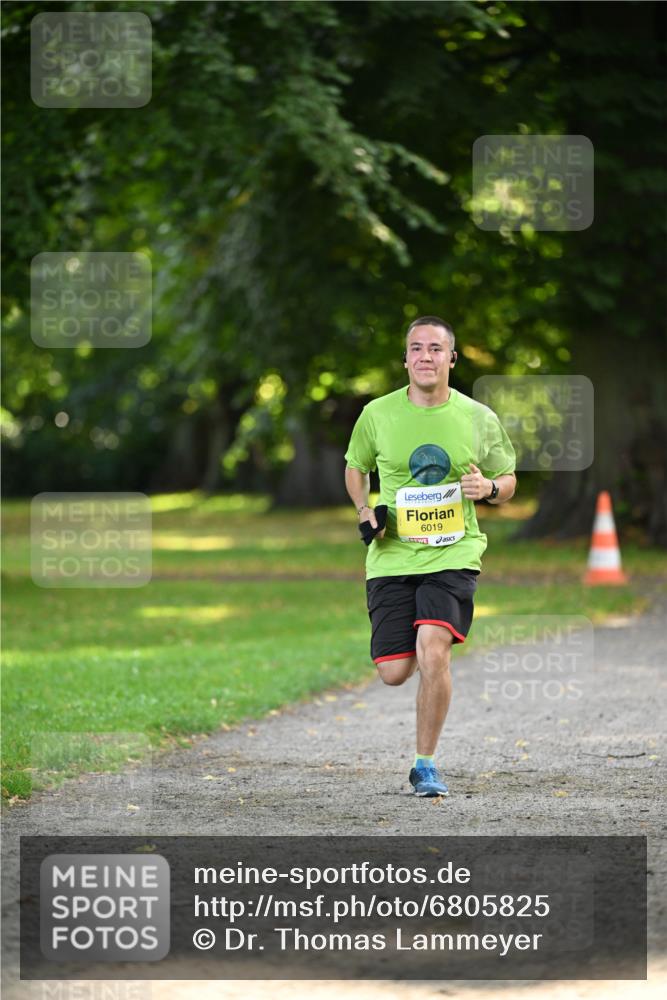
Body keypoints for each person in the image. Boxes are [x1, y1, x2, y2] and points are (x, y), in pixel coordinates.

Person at [344, 316, 517, 797]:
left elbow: (507, 480)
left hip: (454, 553)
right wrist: (364, 510)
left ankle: (425, 765)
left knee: (433, 647)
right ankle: (420, 650)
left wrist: (489, 488)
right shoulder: (377, 414)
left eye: (436, 349)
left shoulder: (477, 416)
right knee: (394, 672)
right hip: (392, 557)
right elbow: (355, 468)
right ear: (405, 359)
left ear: (451, 359)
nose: (425, 356)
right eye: (416, 348)